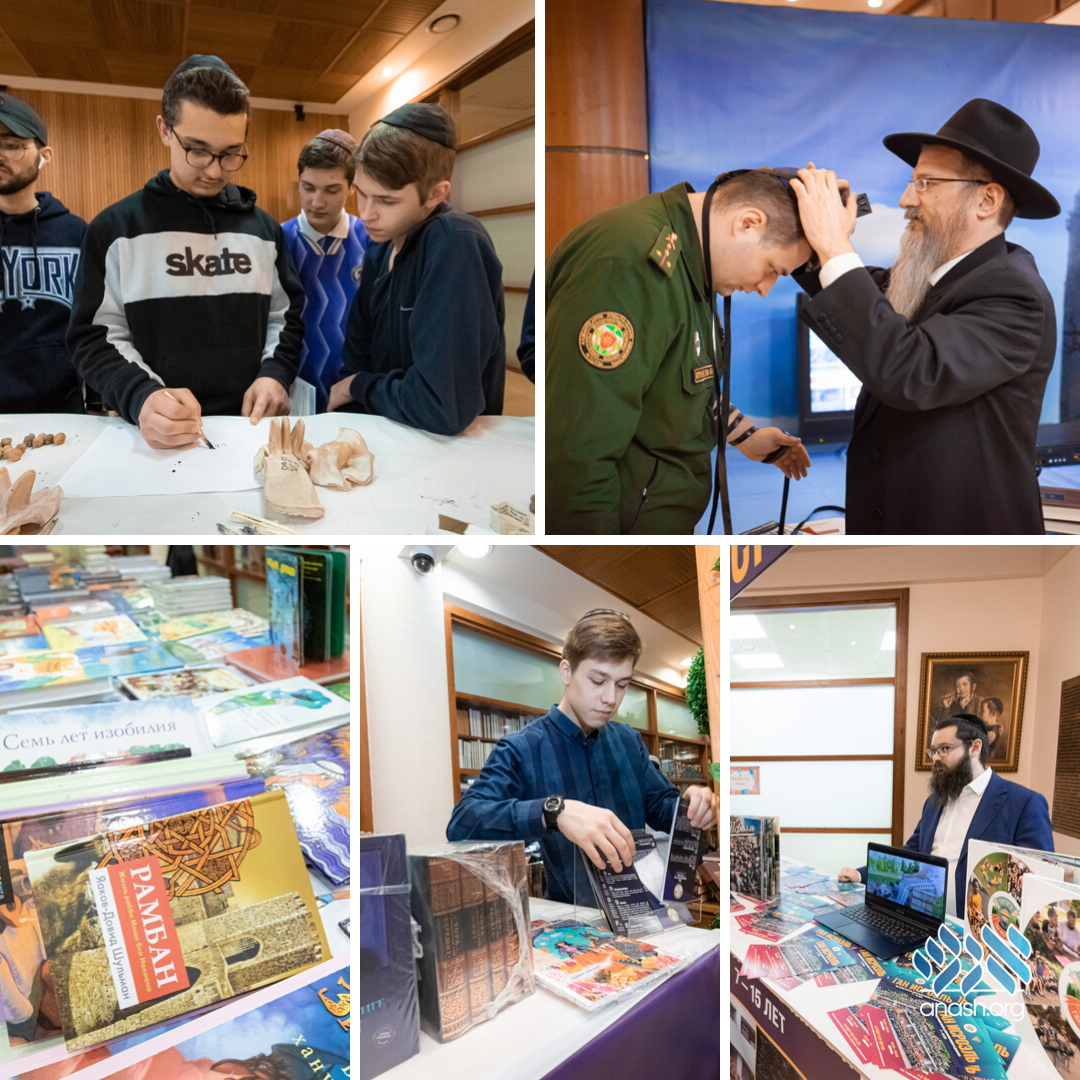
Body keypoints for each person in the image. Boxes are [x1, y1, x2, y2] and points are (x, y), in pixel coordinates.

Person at [790, 98, 1059, 534]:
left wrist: (834, 245)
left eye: (925, 183)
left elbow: (911, 369)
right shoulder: (940, 276)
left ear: (987, 199)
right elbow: (875, 295)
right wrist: (806, 241)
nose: (904, 199)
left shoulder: (1013, 292)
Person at [545, 168, 813, 534]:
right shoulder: (632, 263)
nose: (765, 288)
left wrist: (746, 436)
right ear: (748, 223)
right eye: (772, 269)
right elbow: (577, 456)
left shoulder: (693, 261)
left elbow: (683, 385)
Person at [67, 55, 304, 450]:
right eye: (197, 150)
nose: (214, 171)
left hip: (248, 430)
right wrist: (140, 394)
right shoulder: (114, 230)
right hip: (152, 434)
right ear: (164, 130)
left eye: (231, 153)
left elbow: (286, 317)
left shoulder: (265, 231)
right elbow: (93, 336)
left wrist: (275, 373)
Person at [446, 609, 718, 905]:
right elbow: (462, 823)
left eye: (622, 685)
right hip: (572, 923)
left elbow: (661, 806)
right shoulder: (522, 749)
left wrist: (693, 806)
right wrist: (554, 813)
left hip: (642, 911)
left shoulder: (629, 741)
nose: (611, 698)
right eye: (598, 680)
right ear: (566, 672)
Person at [327, 103, 505, 435]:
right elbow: (357, 353)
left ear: (435, 194)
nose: (366, 214)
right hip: (386, 431)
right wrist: (355, 392)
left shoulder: (456, 243)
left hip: (447, 448)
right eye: (361, 194)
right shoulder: (380, 244)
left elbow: (442, 405)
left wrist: (359, 387)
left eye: (386, 200)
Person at [840, 714, 1053, 915]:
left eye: (944, 749)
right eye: (933, 751)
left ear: (974, 748)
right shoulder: (934, 802)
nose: (936, 758)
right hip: (924, 918)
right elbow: (911, 853)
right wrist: (862, 875)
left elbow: (1038, 883)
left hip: (981, 931)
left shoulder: (1023, 803)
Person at [0, 94, 86, 413]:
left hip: (64, 408)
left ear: (44, 155)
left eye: (12, 144)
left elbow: (95, 324)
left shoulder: (75, 232)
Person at [281, 130, 368, 413]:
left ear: (352, 187)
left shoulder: (371, 240)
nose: (317, 202)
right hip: (292, 383)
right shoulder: (278, 240)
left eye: (331, 190)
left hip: (357, 384)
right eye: (308, 187)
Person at [978, 696, 1007, 761]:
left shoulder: (992, 733)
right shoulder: (988, 727)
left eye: (982, 711)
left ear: (992, 713)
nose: (979, 713)